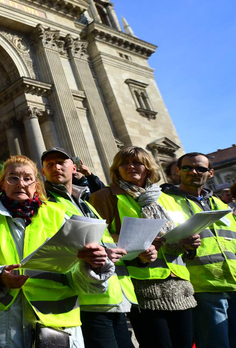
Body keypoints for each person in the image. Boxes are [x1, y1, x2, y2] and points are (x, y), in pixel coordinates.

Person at [0, 155, 113, 348]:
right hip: (2, 324)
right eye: (13, 178)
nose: (20, 183)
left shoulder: (60, 215)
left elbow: (78, 276)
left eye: (27, 178)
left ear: (36, 185)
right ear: (2, 185)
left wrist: (92, 266)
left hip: (57, 326)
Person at [89, 147, 197, 348]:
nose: (130, 167)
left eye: (137, 162)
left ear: (148, 167)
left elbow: (181, 231)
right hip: (141, 286)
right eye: (124, 163)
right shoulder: (105, 196)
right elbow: (98, 237)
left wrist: (190, 243)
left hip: (180, 286)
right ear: (117, 169)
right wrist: (138, 248)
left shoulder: (166, 197)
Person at [161, 153, 236, 348]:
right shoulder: (165, 202)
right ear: (178, 170)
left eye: (200, 169)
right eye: (187, 168)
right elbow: (161, 245)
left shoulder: (221, 205)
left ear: (210, 173)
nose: (194, 172)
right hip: (203, 288)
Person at [40, 148, 136, 348]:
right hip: (85, 299)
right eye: (50, 164)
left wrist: (119, 252)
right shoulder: (45, 204)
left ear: (74, 168)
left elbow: (106, 242)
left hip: (115, 296)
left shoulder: (85, 202)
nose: (56, 167)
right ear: (43, 172)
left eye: (61, 162)